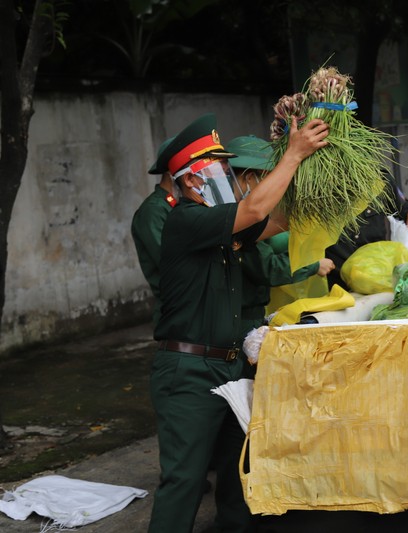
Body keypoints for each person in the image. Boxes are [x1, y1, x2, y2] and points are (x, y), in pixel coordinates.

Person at [148, 113, 328, 532]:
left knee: (238, 471)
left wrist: (309, 164)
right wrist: (295, 154)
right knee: (185, 482)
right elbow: (254, 208)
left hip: (228, 365)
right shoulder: (187, 221)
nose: (230, 178)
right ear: (193, 181)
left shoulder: (221, 226)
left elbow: (277, 219)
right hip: (189, 372)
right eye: (222, 171)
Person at [225, 134, 334, 338]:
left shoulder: (234, 212)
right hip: (238, 320)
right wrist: (313, 265)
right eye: (267, 179)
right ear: (249, 178)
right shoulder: (236, 217)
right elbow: (267, 268)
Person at [326, 171, 408, 290]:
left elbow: (402, 206)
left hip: (375, 272)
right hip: (335, 275)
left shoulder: (379, 177)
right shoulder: (318, 183)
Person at [131, 136, 176, 326]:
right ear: (172, 172)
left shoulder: (178, 206)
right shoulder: (154, 210)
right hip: (175, 311)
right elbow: (172, 262)